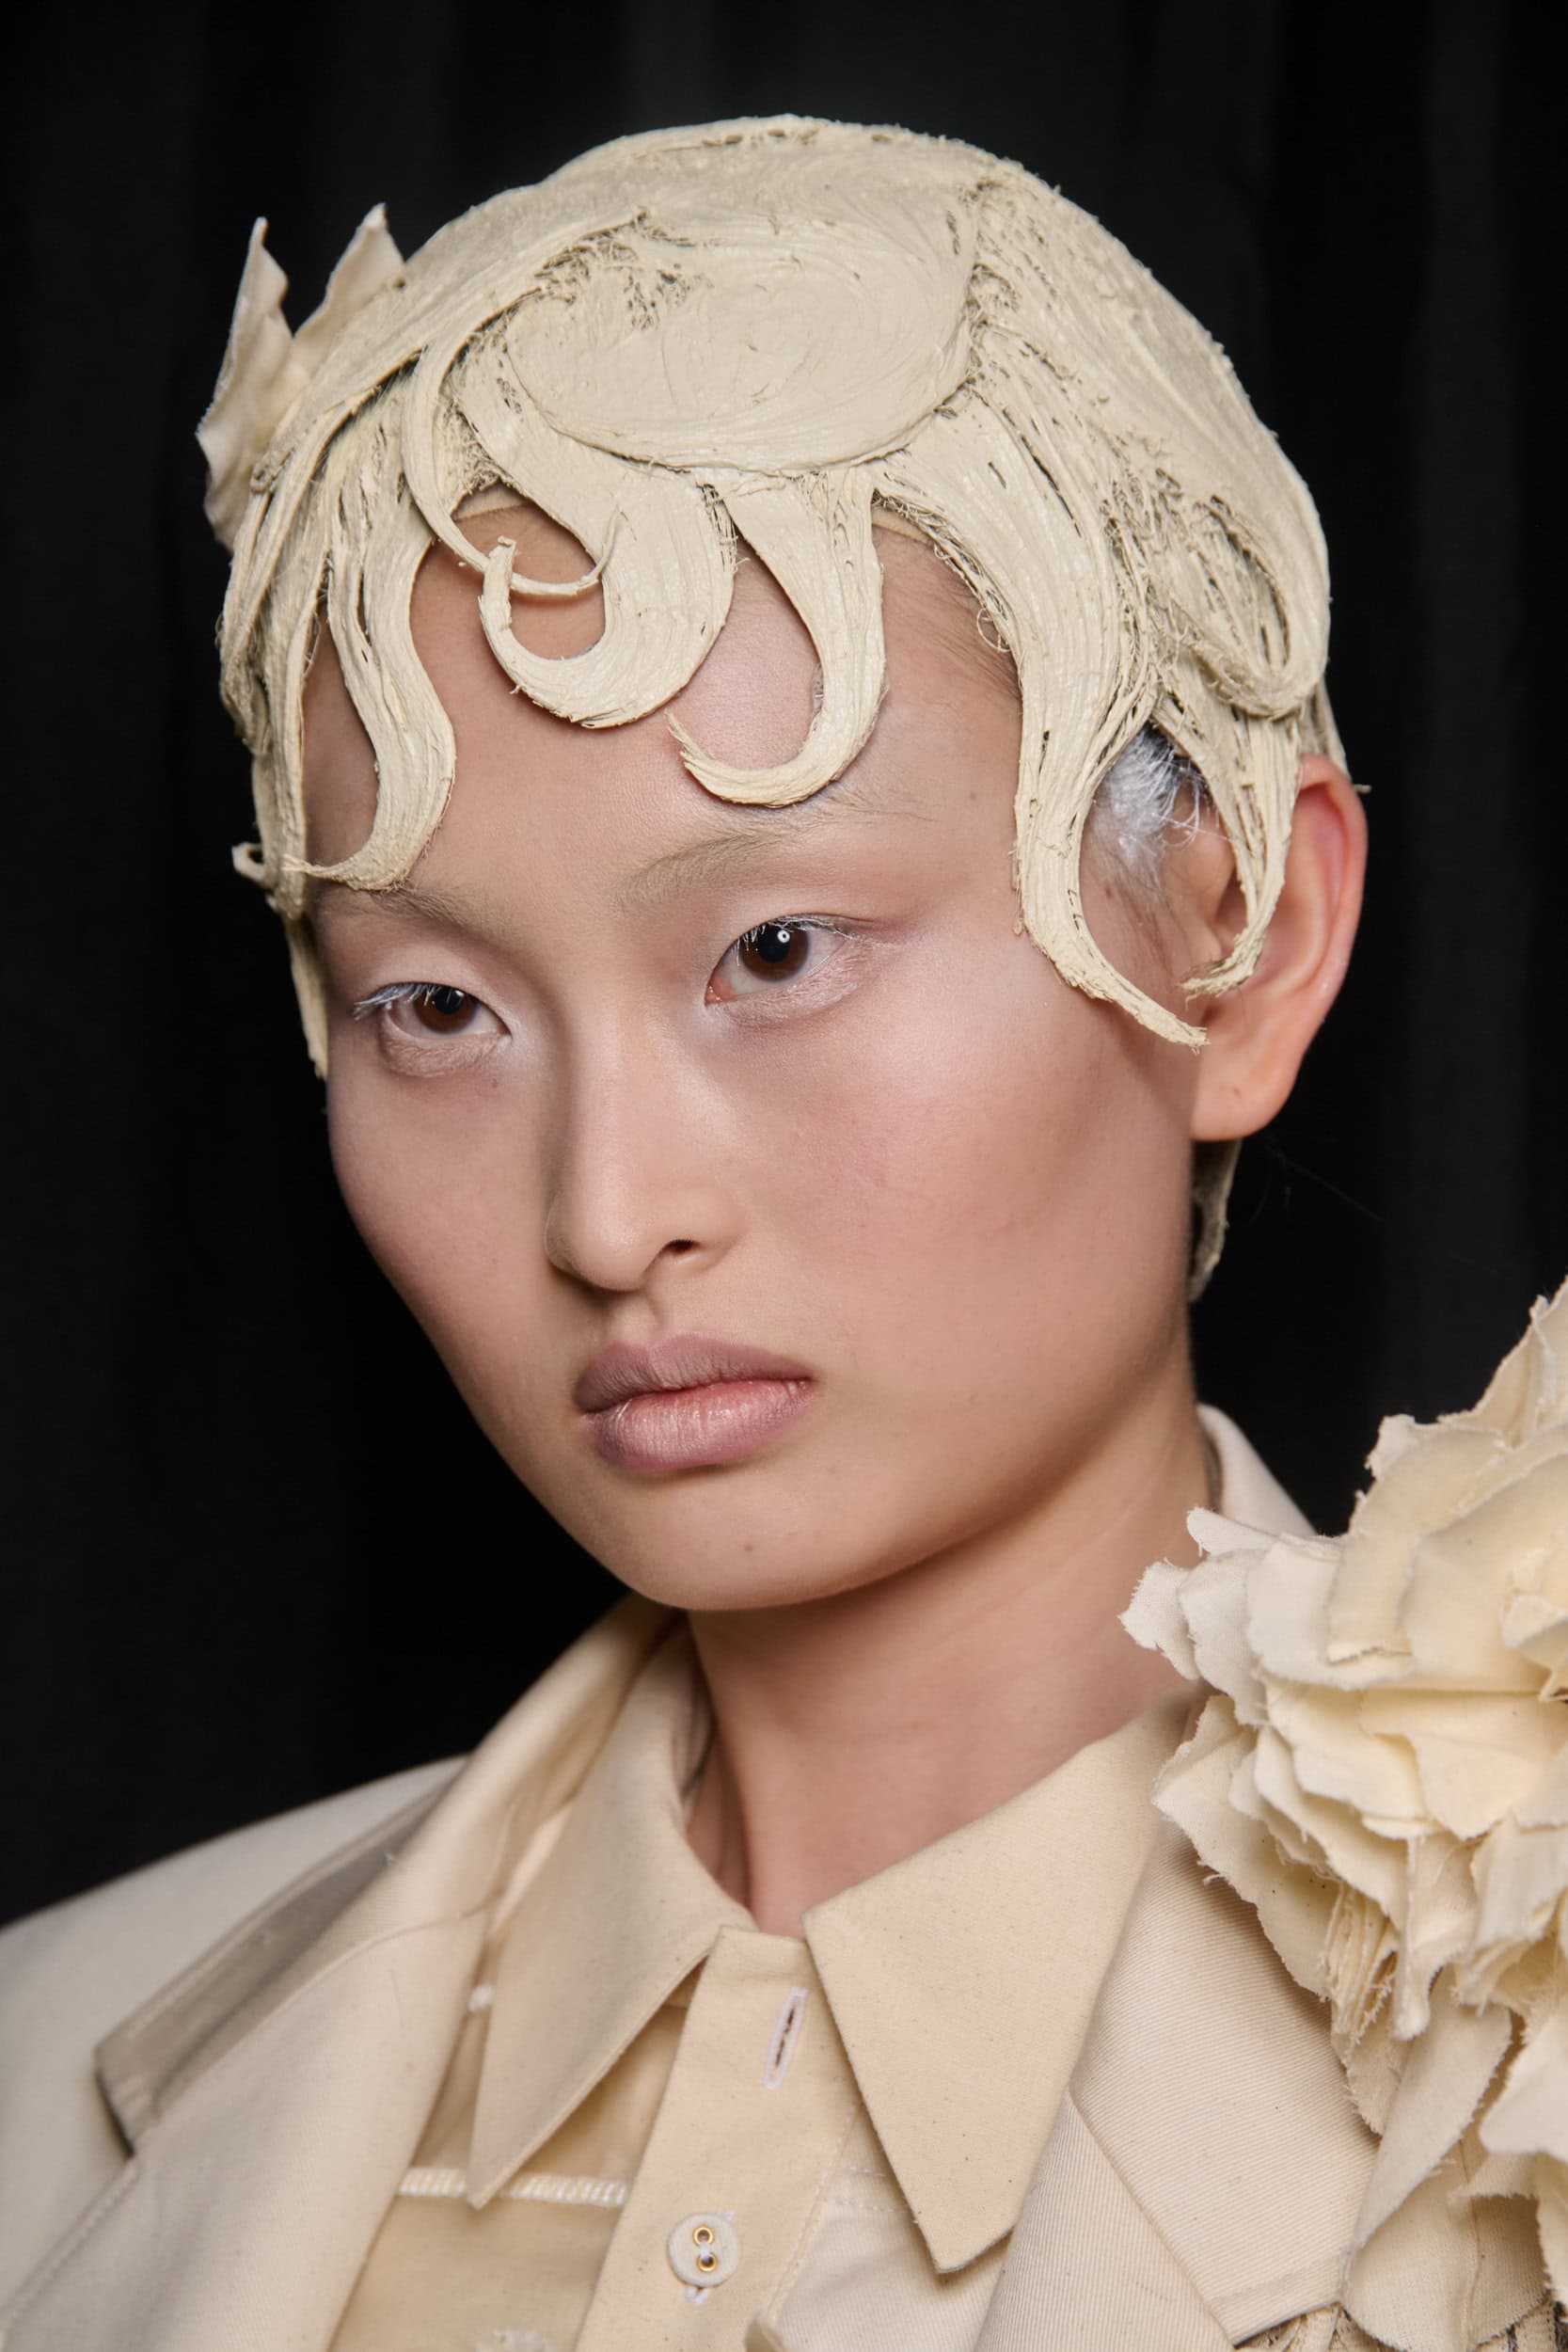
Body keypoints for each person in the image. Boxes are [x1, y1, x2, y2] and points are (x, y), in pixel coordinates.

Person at [1, 115, 1563, 2352]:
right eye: (435, 1007)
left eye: (776, 950)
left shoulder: (1527, 2112)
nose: (609, 1211)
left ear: (1239, 932)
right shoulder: (42, 2077)